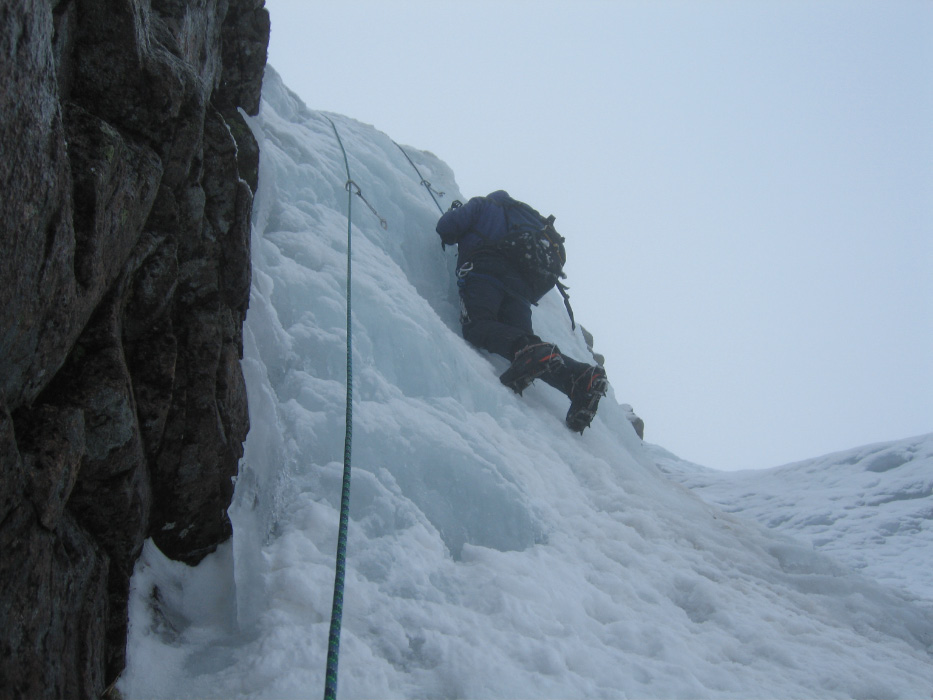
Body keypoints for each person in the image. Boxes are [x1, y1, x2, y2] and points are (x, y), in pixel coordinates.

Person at [436, 190, 608, 433]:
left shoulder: (484, 205)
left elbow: (447, 228)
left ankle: (542, 359)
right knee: (528, 349)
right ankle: (580, 378)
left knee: (478, 326)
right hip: (521, 290)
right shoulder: (532, 222)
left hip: (484, 273)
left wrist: (456, 213)